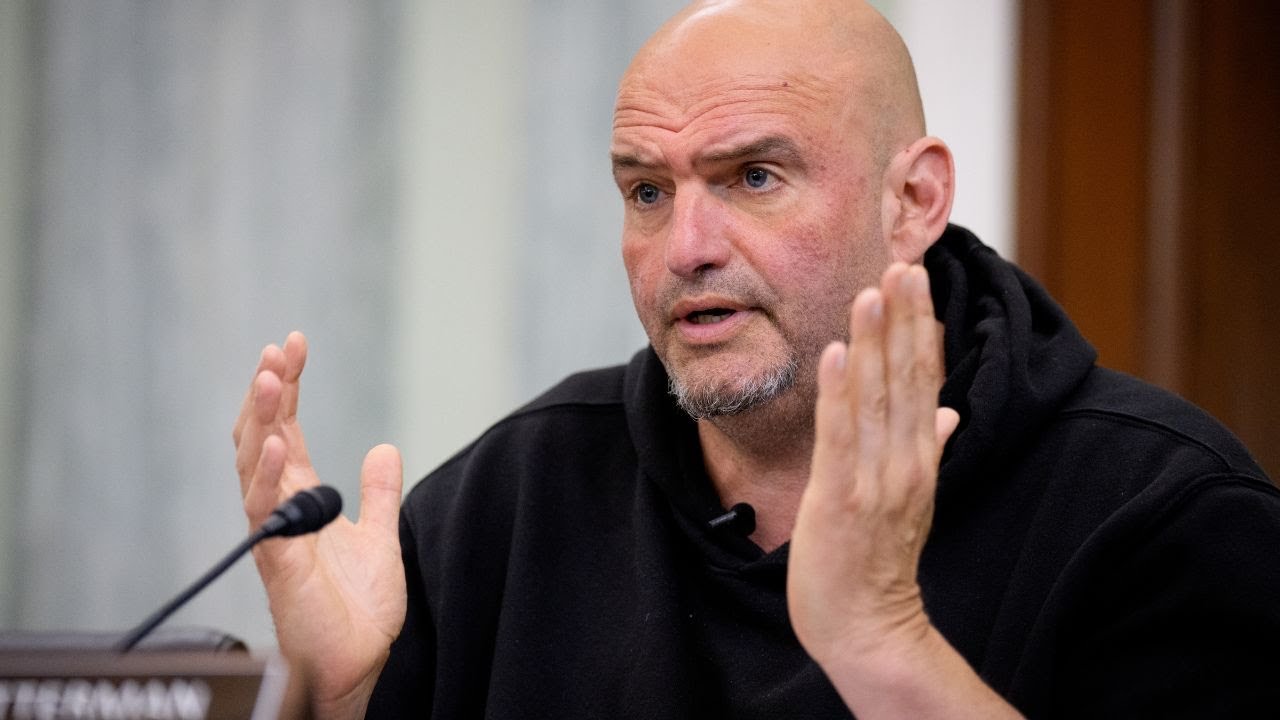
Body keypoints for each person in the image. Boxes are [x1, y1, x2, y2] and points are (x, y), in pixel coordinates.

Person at [232, 1, 1280, 717]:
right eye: (647, 191)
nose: (685, 246)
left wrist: (884, 643)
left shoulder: (1162, 511)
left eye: (753, 177)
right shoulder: (510, 500)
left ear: (913, 200)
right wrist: (339, 701)